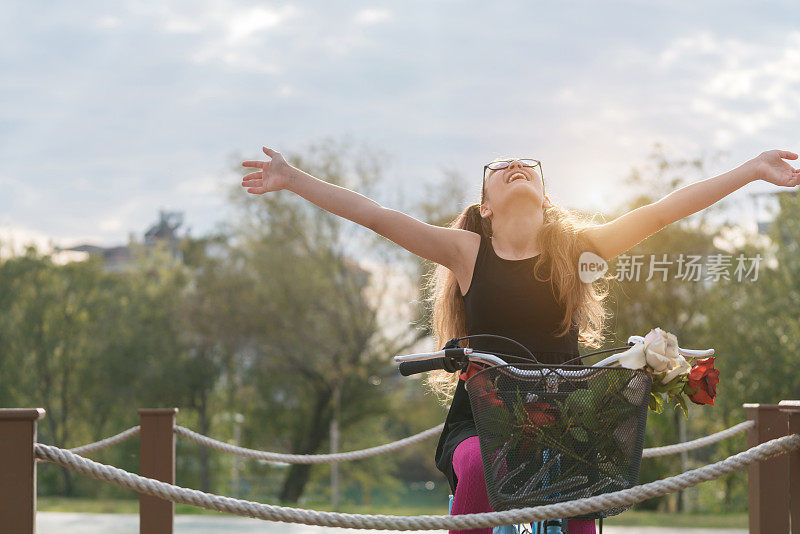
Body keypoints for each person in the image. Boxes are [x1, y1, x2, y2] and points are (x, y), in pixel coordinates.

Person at [241, 147, 800, 534]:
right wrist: (292, 179)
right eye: (501, 167)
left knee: (586, 497)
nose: (514, 167)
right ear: (484, 205)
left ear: (544, 196)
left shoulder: (576, 250)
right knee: (482, 469)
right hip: (482, 420)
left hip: (565, 415)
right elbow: (375, 215)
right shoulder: (467, 253)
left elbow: (665, 210)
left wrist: (751, 170)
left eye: (526, 165)